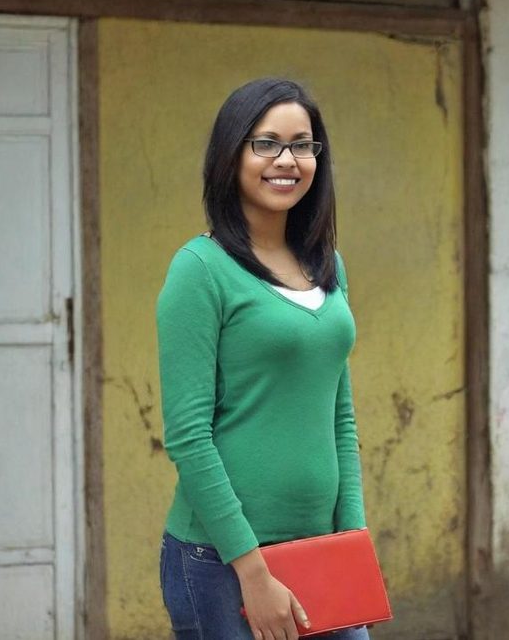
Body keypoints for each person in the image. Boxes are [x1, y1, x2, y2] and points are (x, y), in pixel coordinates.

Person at [156, 78, 370, 640]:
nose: (287, 160)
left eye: (303, 144)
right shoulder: (200, 270)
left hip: (322, 552)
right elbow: (187, 435)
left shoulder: (327, 265)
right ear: (232, 154)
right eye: (266, 143)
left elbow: (339, 417)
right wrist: (252, 570)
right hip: (220, 561)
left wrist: (352, 542)